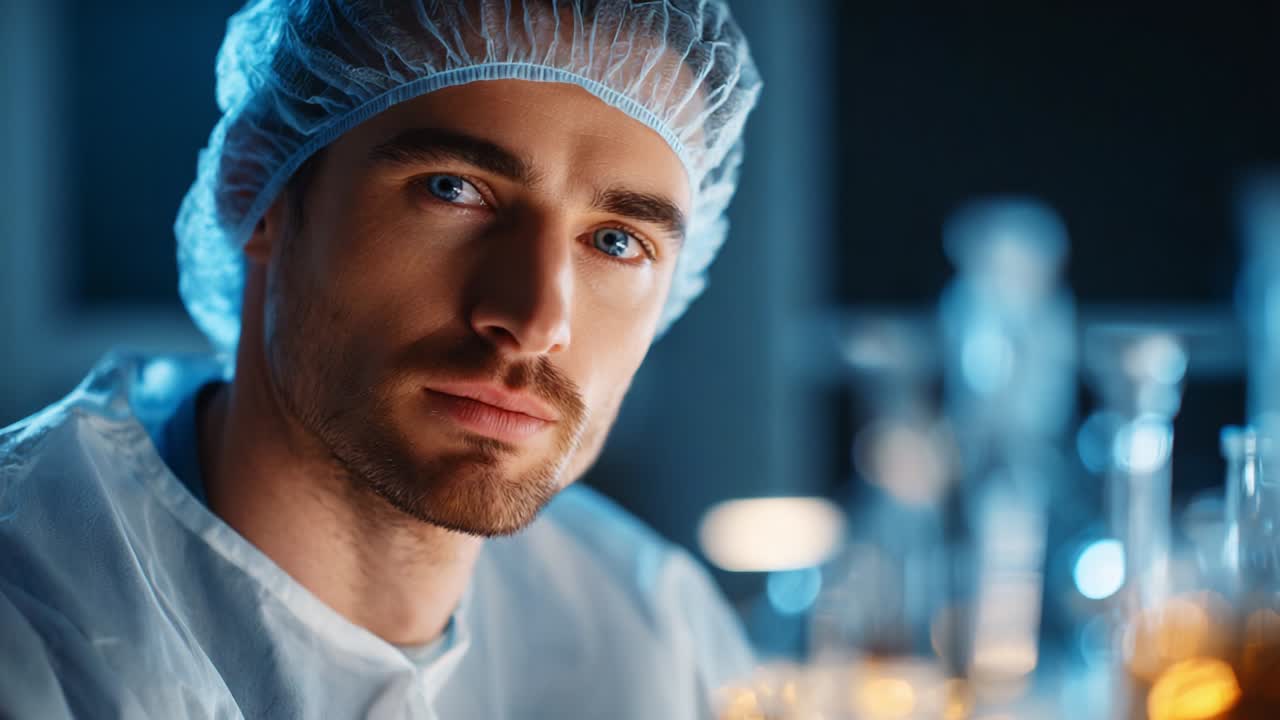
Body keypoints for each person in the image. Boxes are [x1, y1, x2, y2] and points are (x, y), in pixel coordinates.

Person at [0, 1, 761, 718]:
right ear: (257, 191)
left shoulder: (656, 628)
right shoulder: (31, 622)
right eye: (454, 189)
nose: (534, 321)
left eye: (618, 242)